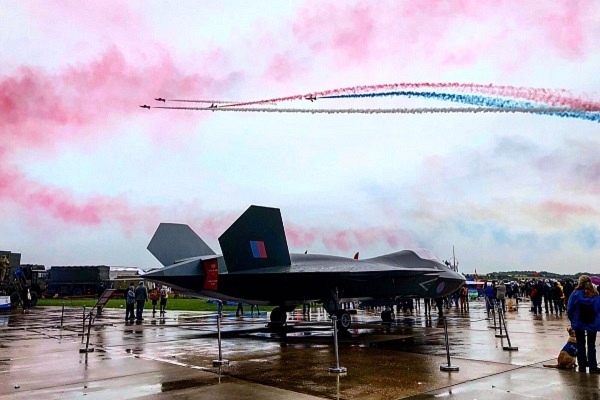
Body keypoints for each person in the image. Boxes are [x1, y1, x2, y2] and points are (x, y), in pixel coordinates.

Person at [567, 275, 600, 373]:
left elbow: (570, 309)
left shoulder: (575, 294)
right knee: (591, 345)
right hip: (592, 323)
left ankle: (582, 366)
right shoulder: (595, 294)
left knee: (580, 344)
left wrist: (572, 320)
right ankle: (593, 367)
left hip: (578, 322)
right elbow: (598, 309)